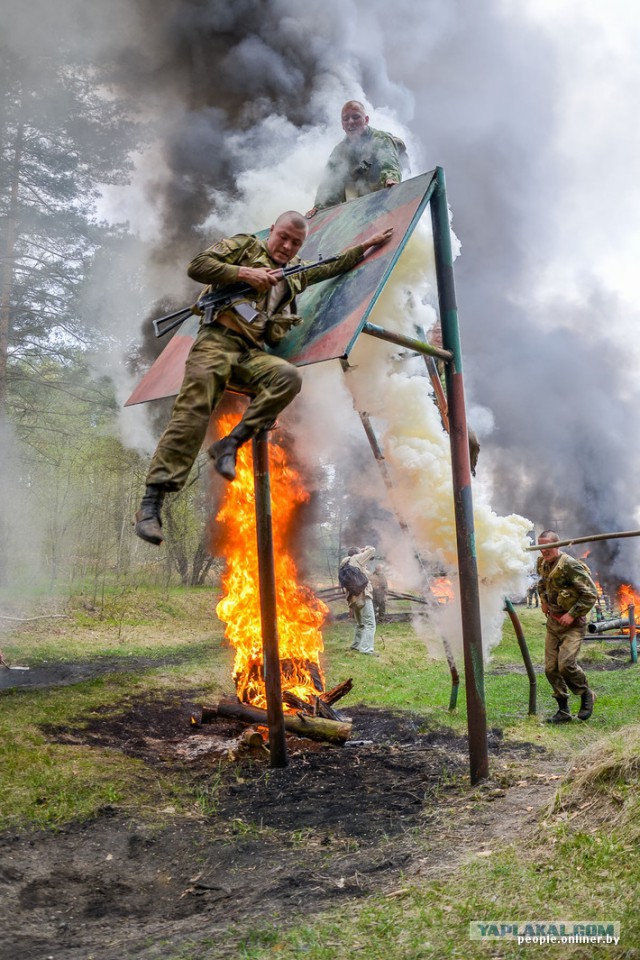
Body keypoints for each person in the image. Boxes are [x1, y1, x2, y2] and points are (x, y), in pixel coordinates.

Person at [135, 212, 393, 545]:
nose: (286, 246)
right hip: (216, 341)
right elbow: (198, 265)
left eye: (295, 243)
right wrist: (246, 273)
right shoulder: (245, 246)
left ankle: (230, 443)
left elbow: (329, 267)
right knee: (193, 411)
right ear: (272, 230)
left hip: (250, 353)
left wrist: (366, 246)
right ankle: (150, 506)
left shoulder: (294, 272)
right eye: (282, 237)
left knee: (287, 377)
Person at [536, 530, 598, 723]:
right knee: (550, 668)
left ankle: (586, 693)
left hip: (573, 624)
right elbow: (542, 583)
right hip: (553, 623)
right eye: (540, 546)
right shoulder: (542, 563)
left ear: (557, 545)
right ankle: (563, 710)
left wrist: (571, 615)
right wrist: (544, 600)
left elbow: (590, 594)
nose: (543, 551)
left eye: (547, 546)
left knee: (566, 665)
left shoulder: (570, 565)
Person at [306, 100, 405, 217]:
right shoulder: (340, 151)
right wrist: (320, 208)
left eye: (356, 117)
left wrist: (390, 179)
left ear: (366, 120)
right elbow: (331, 183)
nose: (350, 122)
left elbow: (388, 162)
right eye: (346, 119)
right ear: (342, 125)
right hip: (359, 205)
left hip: (383, 196)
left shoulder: (380, 139)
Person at [339, 545, 378, 656]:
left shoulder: (344, 564)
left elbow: (366, 575)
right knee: (370, 624)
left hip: (353, 598)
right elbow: (372, 549)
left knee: (360, 624)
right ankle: (366, 649)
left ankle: (356, 645)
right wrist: (364, 549)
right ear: (357, 554)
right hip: (363, 596)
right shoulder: (356, 559)